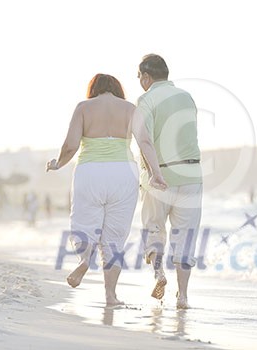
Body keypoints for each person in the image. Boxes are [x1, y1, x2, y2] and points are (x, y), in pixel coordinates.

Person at [46, 73, 167, 306]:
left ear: (94, 89)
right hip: (124, 173)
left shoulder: (83, 107)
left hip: (90, 172)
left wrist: (58, 163)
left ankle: (83, 259)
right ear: (117, 89)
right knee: (114, 239)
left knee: (83, 222)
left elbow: (70, 145)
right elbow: (145, 143)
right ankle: (111, 296)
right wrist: (156, 173)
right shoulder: (130, 109)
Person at [136, 54, 203, 309]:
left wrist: (154, 172)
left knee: (153, 228)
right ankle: (183, 296)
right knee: (185, 237)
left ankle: (158, 273)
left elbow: (144, 140)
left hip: (160, 173)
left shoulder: (146, 99)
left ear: (146, 76)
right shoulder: (186, 97)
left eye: (139, 76)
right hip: (191, 174)